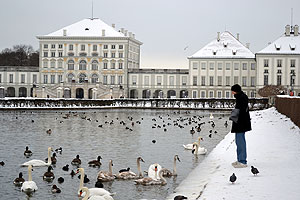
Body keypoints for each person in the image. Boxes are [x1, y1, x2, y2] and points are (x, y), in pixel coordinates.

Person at [230, 84, 251, 168]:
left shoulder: (241, 98)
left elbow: (241, 111)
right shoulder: (240, 97)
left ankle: (242, 161)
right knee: (238, 141)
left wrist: (235, 116)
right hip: (240, 122)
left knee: (240, 141)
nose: (231, 92)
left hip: (241, 123)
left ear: (235, 91)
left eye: (232, 91)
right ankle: (240, 159)